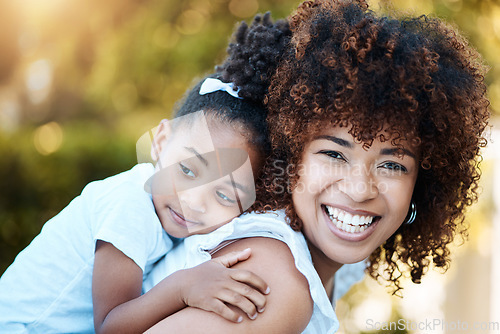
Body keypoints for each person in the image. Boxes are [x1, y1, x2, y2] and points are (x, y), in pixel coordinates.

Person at [143, 0, 490, 333]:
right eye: (334, 154)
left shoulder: (332, 260)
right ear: (289, 157)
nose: (359, 189)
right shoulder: (273, 282)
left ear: (423, 181)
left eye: (392, 165)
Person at [0, 13, 293, 333]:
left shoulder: (172, 217)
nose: (194, 202)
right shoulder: (130, 203)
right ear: (162, 141)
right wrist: (184, 287)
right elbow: (111, 326)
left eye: (224, 194)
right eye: (188, 169)